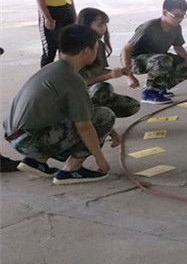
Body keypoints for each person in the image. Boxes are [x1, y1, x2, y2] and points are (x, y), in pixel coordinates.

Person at [4, 24, 120, 185]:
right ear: (87, 51)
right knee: (105, 116)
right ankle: (70, 170)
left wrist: (109, 131)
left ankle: (37, 161)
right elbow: (85, 126)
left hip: (15, 136)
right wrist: (101, 159)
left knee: (92, 117)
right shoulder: (72, 79)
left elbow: (74, 111)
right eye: (95, 48)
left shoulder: (53, 68)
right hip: (31, 140)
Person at [121, 0, 187, 105]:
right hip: (136, 62)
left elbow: (178, 47)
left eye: (182, 16)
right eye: (176, 16)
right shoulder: (149, 27)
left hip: (158, 59)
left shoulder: (176, 27)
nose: (179, 19)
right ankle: (149, 92)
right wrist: (129, 76)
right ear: (164, 12)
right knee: (163, 60)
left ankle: (159, 87)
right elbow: (126, 50)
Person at [76, 8, 140, 119]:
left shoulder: (99, 45)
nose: (104, 29)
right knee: (103, 88)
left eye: (105, 25)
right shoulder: (76, 48)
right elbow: (78, 83)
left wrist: (124, 72)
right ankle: (84, 120)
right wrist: (108, 75)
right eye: (100, 25)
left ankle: (97, 116)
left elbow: (98, 71)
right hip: (72, 95)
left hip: (89, 92)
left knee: (131, 106)